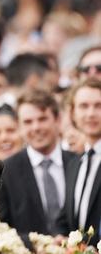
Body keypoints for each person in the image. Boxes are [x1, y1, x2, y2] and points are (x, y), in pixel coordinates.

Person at [0, 89, 76, 247]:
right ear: (19, 126)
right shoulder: (5, 172)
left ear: (57, 120)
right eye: (28, 122)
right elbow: (0, 229)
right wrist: (40, 244)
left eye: (42, 119)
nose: (36, 127)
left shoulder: (78, 163)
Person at [57, 79, 101, 245]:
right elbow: (67, 218)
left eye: (98, 105)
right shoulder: (75, 163)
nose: (91, 113)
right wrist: (59, 237)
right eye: (84, 106)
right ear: (73, 113)